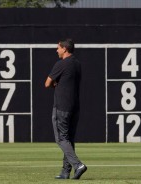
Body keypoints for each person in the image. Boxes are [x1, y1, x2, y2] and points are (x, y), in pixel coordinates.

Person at [45, 39, 87, 180]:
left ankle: (78, 165)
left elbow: (47, 83)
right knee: (69, 140)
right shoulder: (77, 64)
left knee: (61, 139)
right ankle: (65, 172)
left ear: (64, 49)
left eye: (58, 48)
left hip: (62, 106)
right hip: (75, 107)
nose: (57, 50)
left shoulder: (61, 64)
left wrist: (55, 84)